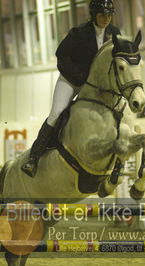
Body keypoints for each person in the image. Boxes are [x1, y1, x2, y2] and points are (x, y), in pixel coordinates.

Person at [21, 0, 121, 177]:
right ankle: (33, 158)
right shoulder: (79, 32)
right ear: (93, 15)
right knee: (57, 113)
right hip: (71, 80)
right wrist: (79, 78)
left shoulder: (114, 33)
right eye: (102, 15)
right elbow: (61, 56)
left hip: (97, 86)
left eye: (109, 15)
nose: (106, 19)